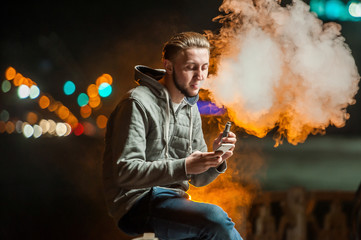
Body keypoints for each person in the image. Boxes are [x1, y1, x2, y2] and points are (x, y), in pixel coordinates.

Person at [102, 31, 242, 240]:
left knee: (213, 225)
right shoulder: (136, 103)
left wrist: (216, 158)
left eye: (204, 67)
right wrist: (185, 165)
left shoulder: (190, 107)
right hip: (136, 204)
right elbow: (125, 172)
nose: (200, 76)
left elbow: (197, 178)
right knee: (215, 219)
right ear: (169, 66)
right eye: (191, 67)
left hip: (173, 202)